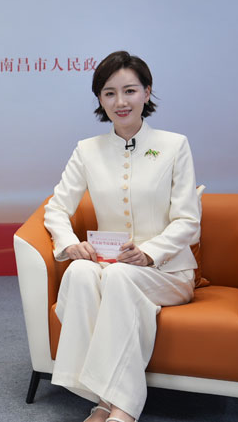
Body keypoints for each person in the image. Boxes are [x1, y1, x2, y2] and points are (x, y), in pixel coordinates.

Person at [42, 51, 201, 422]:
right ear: (100, 99)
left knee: (117, 277)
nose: (120, 101)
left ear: (147, 92)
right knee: (80, 272)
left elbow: (188, 220)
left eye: (129, 90)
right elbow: (56, 209)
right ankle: (103, 398)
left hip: (168, 272)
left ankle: (119, 408)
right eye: (109, 93)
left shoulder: (174, 145)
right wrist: (70, 245)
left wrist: (148, 253)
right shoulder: (87, 150)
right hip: (110, 268)